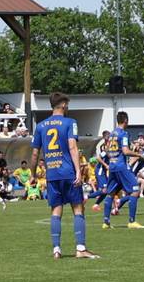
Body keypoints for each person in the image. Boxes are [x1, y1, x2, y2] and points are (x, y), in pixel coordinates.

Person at [31, 94, 96, 260]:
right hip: (68, 172)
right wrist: (79, 171)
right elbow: (73, 147)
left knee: (56, 211)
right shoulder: (70, 122)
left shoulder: (40, 126)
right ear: (64, 105)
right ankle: (80, 248)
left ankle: (56, 250)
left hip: (52, 174)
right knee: (78, 208)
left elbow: (34, 154)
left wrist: (32, 174)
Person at [96, 112, 144, 230]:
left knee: (110, 193)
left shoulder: (112, 134)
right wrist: (139, 154)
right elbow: (126, 151)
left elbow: (106, 149)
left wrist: (112, 158)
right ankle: (132, 221)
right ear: (126, 120)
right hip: (121, 166)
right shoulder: (123, 134)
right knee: (135, 190)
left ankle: (106, 222)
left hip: (112, 166)